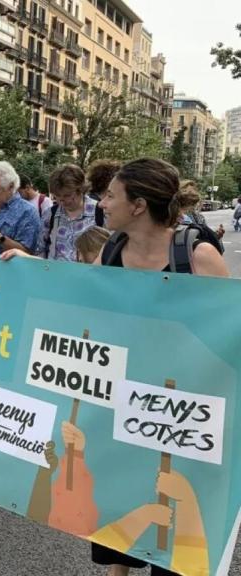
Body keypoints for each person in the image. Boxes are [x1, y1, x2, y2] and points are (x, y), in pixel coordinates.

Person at [91, 158, 226, 575]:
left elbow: (229, 335)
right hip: (126, 402)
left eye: (111, 195)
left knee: (176, 521)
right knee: (126, 501)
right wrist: (19, 268)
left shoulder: (196, 255)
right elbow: (76, 300)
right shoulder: (111, 250)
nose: (102, 203)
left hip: (185, 413)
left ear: (138, 205)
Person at [39, 164, 100, 261]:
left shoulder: (100, 211)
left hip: (88, 273)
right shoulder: (50, 214)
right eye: (57, 196)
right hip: (55, 273)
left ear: (80, 189)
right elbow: (40, 248)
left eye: (67, 195)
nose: (61, 200)